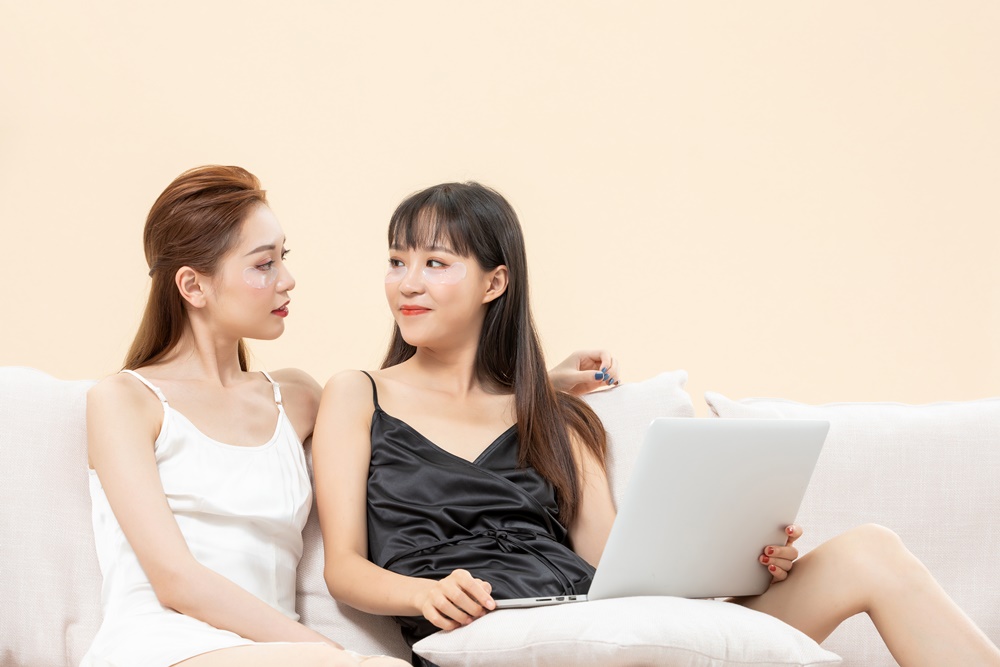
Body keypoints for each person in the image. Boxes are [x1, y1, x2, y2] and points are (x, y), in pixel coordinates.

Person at [312, 181, 1000, 667]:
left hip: (605, 625)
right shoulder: (358, 393)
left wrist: (747, 562)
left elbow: (622, 569)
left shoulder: (554, 417)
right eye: (397, 261)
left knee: (870, 552)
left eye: (435, 263)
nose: (407, 282)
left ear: (495, 283)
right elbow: (344, 566)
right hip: (486, 637)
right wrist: (425, 593)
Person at [82, 166, 608, 667]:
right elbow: (177, 581)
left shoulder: (296, 398)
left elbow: (425, 406)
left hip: (280, 655)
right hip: (165, 645)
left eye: (283, 257)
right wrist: (337, 656)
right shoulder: (124, 400)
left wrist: (540, 387)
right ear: (193, 286)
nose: (288, 280)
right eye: (264, 265)